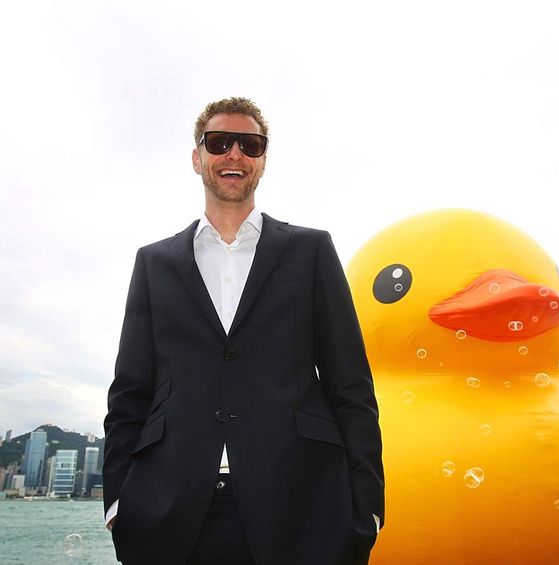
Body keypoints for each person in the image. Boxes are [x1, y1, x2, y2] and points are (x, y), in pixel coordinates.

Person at [103, 97, 384, 565]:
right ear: (198, 157)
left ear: (262, 160)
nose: (234, 154)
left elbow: (350, 384)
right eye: (219, 143)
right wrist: (118, 503)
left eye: (249, 144)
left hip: (304, 506)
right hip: (171, 512)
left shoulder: (312, 251)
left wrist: (368, 508)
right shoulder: (154, 263)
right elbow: (130, 391)